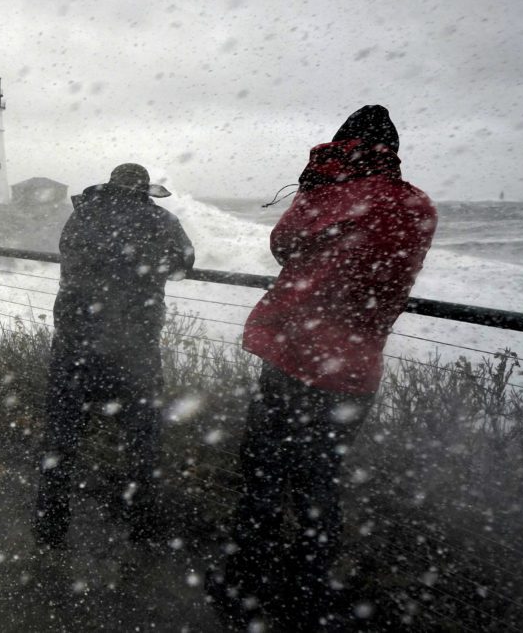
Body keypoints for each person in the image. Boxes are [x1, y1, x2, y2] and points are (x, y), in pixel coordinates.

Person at [209, 106, 437, 628]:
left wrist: (319, 178)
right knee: (320, 481)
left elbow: (282, 245)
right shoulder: (419, 205)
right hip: (356, 371)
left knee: (265, 475)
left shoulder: (330, 196)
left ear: (343, 147)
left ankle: (245, 584)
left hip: (295, 359)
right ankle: (307, 590)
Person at [33, 163, 195, 549]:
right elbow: (183, 263)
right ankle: (142, 527)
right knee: (142, 438)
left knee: (61, 435)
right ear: (144, 190)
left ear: (109, 186)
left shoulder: (80, 216)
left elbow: (70, 258)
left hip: (76, 341)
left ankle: (51, 524)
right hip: (133, 347)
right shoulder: (161, 219)